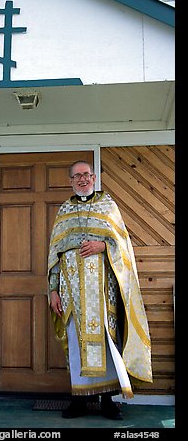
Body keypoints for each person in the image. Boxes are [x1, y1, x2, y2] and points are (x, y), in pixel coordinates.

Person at [47, 160, 153, 419]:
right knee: (76, 342)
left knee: (107, 344)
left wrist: (103, 247)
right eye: (77, 176)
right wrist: (53, 290)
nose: (82, 179)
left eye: (86, 175)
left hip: (103, 293)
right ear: (71, 181)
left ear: (94, 178)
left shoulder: (109, 207)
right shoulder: (64, 210)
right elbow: (54, 255)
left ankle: (107, 401)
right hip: (72, 292)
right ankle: (80, 401)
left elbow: (123, 245)